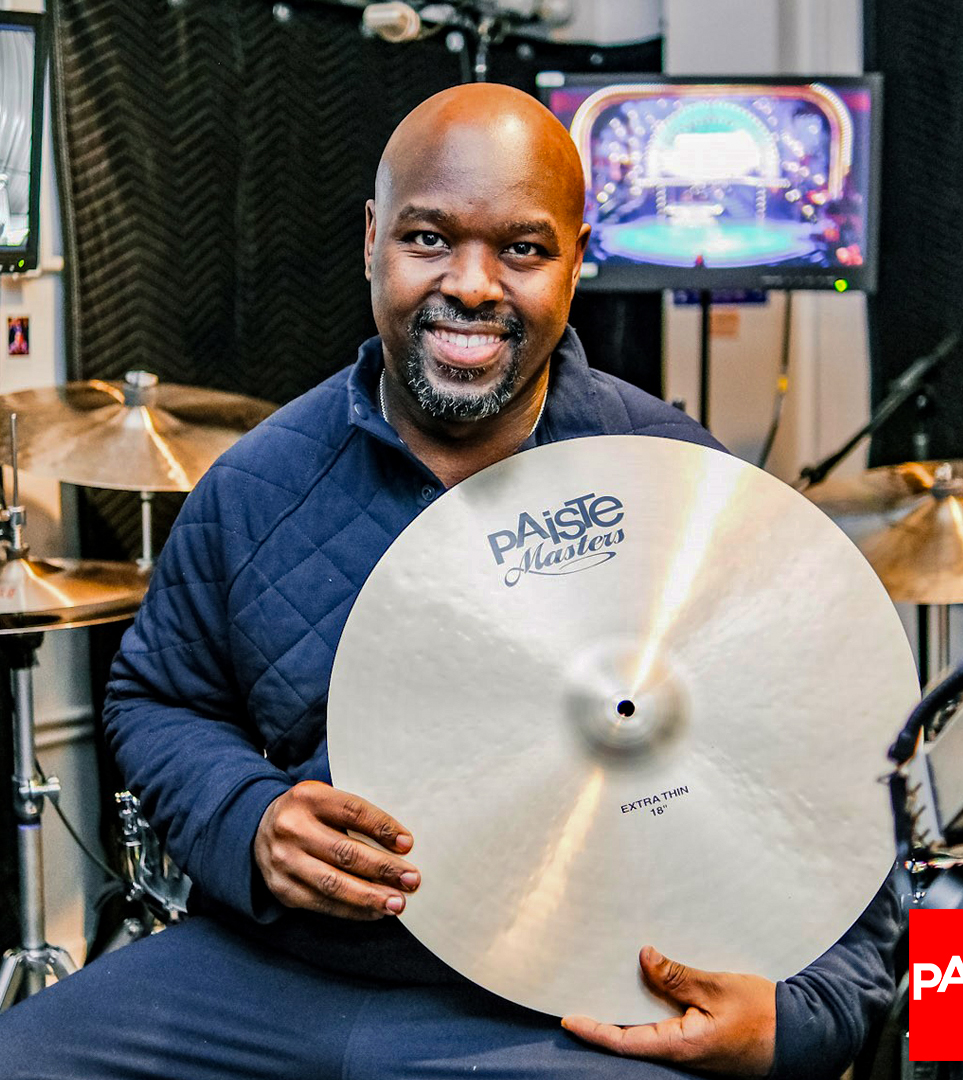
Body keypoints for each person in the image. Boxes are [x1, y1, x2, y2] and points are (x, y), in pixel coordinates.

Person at [0, 83, 898, 1079]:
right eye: (430, 239)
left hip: (561, 1004)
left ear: (576, 256)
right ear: (375, 237)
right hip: (268, 976)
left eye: (521, 249)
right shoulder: (258, 483)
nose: (471, 284)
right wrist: (247, 818)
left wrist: (809, 1019)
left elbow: (829, 783)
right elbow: (159, 698)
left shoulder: (677, 481)